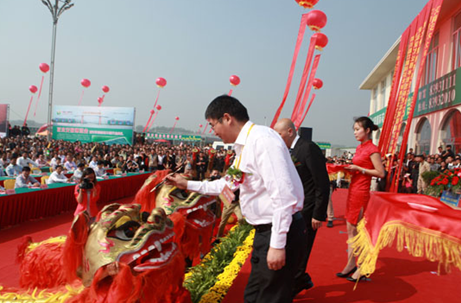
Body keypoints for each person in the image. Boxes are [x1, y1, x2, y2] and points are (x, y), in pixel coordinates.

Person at [165, 95, 307, 303]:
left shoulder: (262, 141)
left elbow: (283, 196)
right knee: (253, 296)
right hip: (264, 232)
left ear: (227, 118)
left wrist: (277, 244)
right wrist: (187, 184)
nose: (213, 132)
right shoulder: (244, 147)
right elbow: (228, 184)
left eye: (213, 125)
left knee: (270, 298)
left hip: (278, 231)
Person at [274, 118, 330, 296]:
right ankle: (300, 279)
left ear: (290, 132)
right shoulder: (288, 150)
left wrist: (318, 214)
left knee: (302, 250)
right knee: (294, 249)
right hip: (293, 208)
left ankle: (295, 284)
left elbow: (321, 183)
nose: (277, 138)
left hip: (308, 209)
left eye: (279, 134)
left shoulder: (308, 148)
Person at [338, 116, 384, 282]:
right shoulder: (359, 149)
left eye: (358, 129)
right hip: (353, 190)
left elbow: (380, 173)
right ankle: (351, 264)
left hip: (362, 193)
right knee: (350, 229)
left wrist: (359, 168)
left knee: (360, 231)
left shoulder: (372, 149)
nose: (355, 133)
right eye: (354, 130)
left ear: (367, 130)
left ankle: (363, 266)